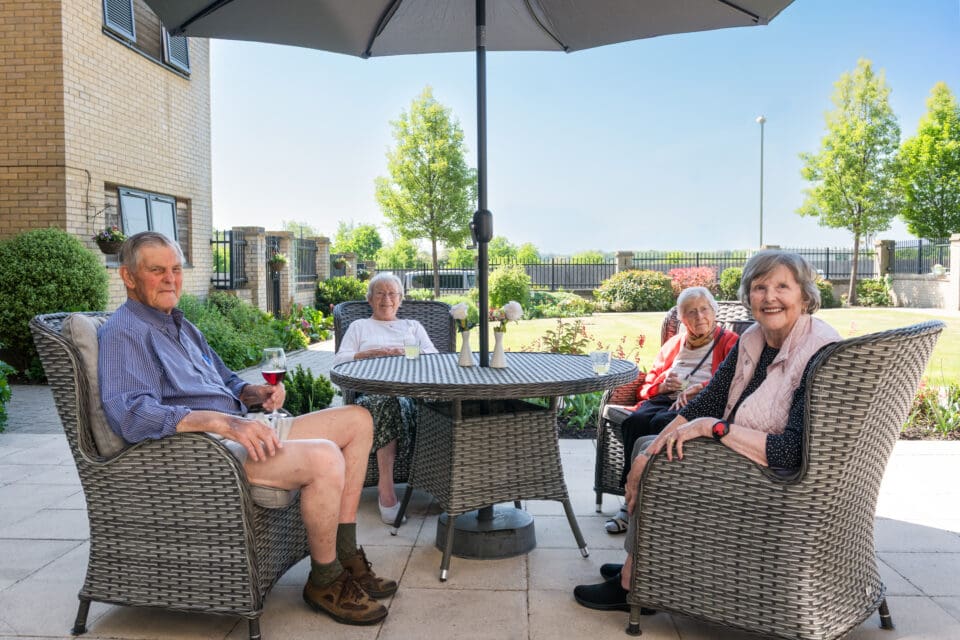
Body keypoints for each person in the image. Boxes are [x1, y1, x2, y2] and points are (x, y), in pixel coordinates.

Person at [98, 231, 396, 627]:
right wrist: (224, 422)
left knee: (358, 420)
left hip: (246, 429)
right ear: (129, 277)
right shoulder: (124, 332)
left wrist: (256, 393)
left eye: (175, 269)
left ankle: (346, 554)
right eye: (157, 271)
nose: (171, 279)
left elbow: (228, 382)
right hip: (208, 450)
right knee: (325, 456)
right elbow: (130, 413)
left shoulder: (182, 326)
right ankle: (325, 580)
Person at [574, 249, 841, 612]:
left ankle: (633, 584)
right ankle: (642, 568)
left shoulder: (819, 352)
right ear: (749, 296)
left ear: (805, 295)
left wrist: (710, 429)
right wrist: (642, 461)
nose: (770, 297)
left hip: (775, 478)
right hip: (741, 451)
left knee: (658, 462)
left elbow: (790, 451)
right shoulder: (753, 339)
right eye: (760, 287)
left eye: (783, 286)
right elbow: (709, 400)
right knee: (649, 448)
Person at [605, 286, 739, 534]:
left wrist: (700, 388)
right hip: (665, 398)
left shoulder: (731, 343)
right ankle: (629, 497)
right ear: (682, 318)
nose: (699, 317)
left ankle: (653, 496)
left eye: (704, 309)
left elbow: (734, 380)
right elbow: (648, 385)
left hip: (700, 404)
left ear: (714, 311)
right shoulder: (674, 344)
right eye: (691, 312)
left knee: (661, 425)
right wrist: (662, 385)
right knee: (635, 421)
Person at [332, 272, 438, 524]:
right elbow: (338, 362)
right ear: (370, 299)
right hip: (371, 397)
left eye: (392, 294)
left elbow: (435, 357)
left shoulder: (412, 327)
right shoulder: (359, 327)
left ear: (400, 299)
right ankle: (386, 489)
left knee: (425, 406)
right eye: (380, 293)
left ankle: (440, 480)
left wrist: (405, 351)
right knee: (385, 403)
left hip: (412, 395)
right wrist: (368, 354)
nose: (386, 299)